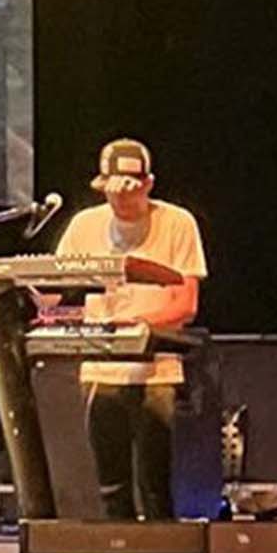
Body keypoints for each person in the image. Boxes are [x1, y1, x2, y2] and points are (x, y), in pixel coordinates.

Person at [53, 138, 207, 520]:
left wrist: (136, 326)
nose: (120, 200)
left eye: (129, 191)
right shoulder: (84, 225)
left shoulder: (177, 223)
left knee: (156, 486)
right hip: (102, 370)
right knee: (112, 487)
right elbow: (52, 291)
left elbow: (186, 304)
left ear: (148, 184)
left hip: (156, 371)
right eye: (112, 192)